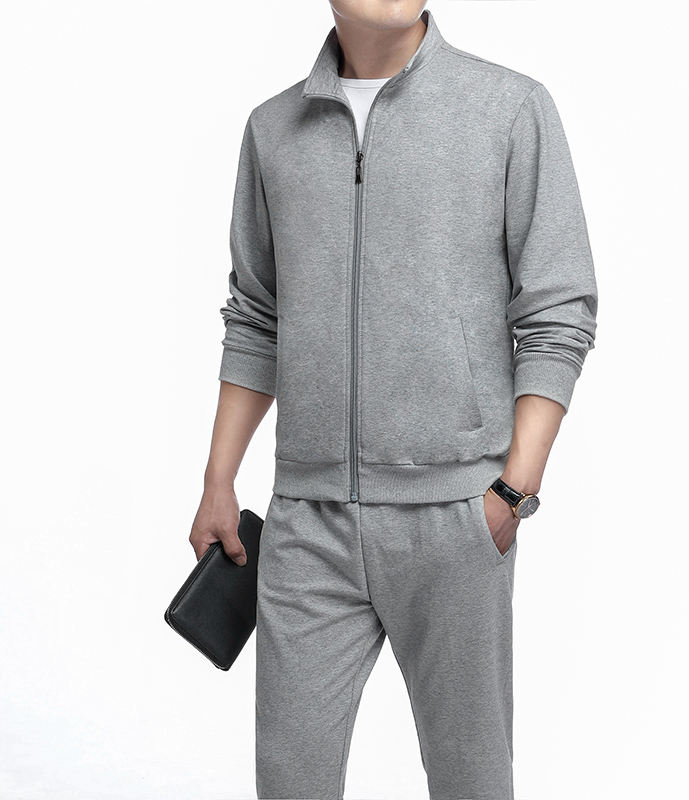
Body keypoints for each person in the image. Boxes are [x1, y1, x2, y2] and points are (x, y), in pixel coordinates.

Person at [190, 2, 598, 798]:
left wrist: (513, 489)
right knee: (291, 782)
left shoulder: (509, 109)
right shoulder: (274, 130)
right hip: (307, 523)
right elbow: (258, 315)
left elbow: (558, 311)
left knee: (471, 782)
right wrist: (218, 481)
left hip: (457, 518)